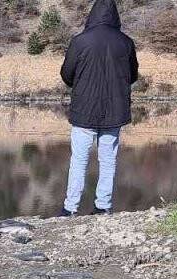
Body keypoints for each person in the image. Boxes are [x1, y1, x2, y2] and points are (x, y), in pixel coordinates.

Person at [57, 0, 139, 216]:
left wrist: (82, 84)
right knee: (108, 161)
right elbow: (133, 75)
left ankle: (70, 208)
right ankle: (103, 206)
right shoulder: (126, 42)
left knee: (79, 160)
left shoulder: (80, 41)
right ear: (115, 16)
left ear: (92, 15)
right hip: (115, 110)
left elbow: (66, 74)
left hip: (84, 110)